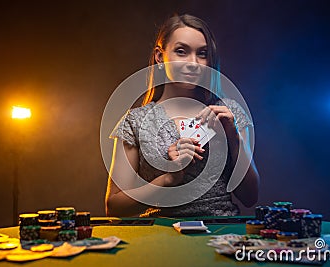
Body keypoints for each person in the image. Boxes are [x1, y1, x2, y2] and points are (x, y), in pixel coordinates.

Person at [105, 14, 259, 217]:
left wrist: (234, 137)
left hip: (221, 231)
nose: (193, 63)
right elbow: (114, 207)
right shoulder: (135, 121)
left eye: (202, 54)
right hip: (160, 235)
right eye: (181, 51)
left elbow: (250, 197)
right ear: (160, 56)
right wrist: (168, 179)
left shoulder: (230, 114)